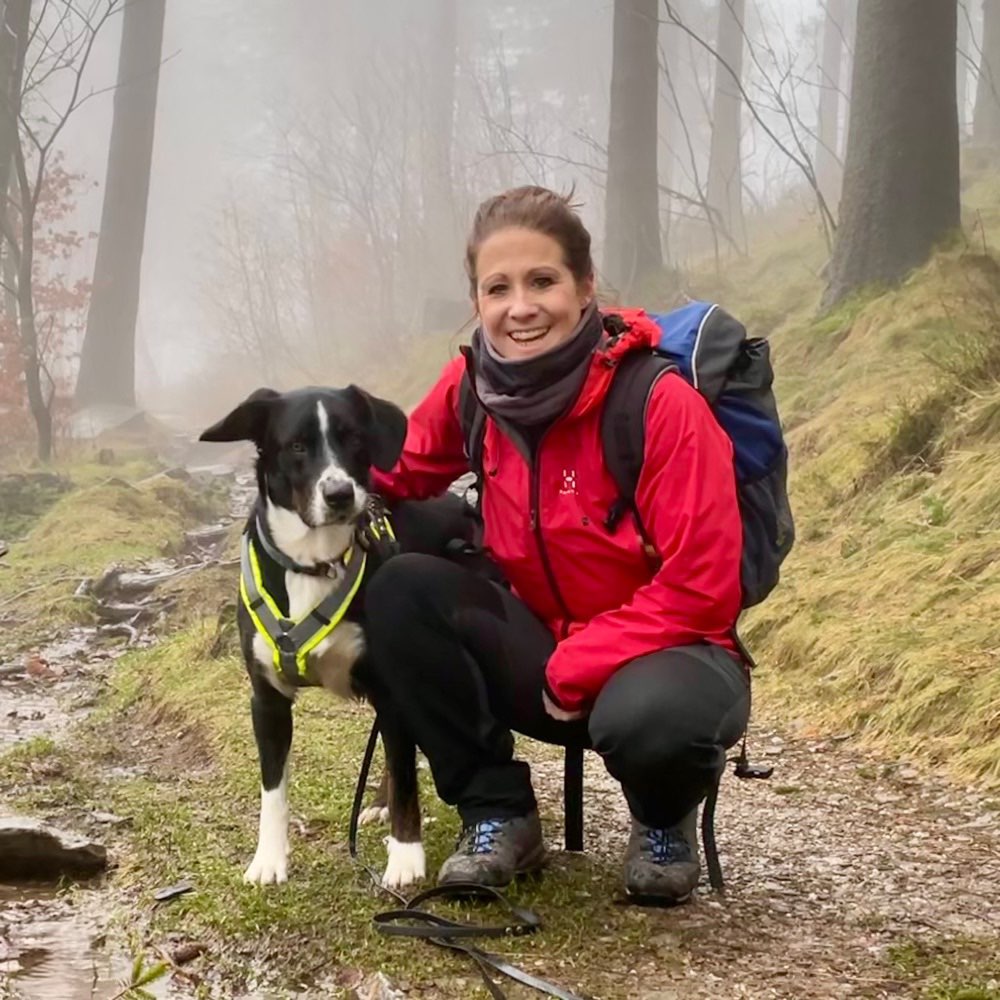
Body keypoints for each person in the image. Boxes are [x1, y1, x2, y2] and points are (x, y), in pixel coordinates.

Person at [366, 185, 750, 904]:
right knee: (399, 592)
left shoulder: (657, 400)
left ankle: (663, 817)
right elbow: (400, 464)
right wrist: (311, 469)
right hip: (541, 651)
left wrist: (581, 660)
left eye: (542, 280)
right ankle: (498, 813)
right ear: (477, 301)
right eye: (497, 287)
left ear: (585, 288)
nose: (521, 307)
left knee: (653, 722)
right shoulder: (470, 388)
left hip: (672, 655)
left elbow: (704, 586)